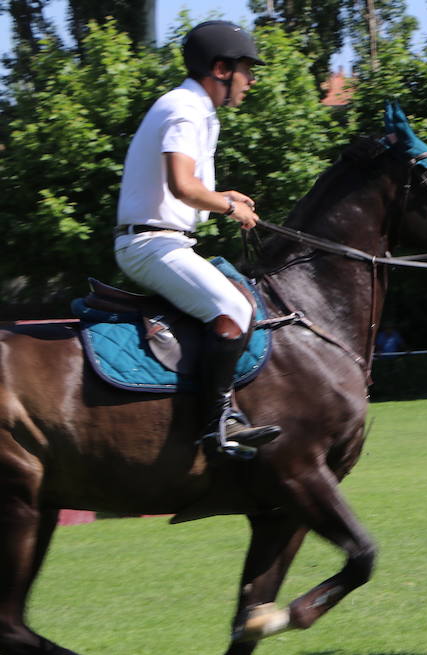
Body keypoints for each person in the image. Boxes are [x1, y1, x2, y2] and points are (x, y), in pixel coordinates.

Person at [113, 20, 279, 460]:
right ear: (221, 68)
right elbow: (183, 187)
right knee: (235, 309)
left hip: (163, 240)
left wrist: (223, 196)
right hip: (150, 246)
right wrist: (229, 208)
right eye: (247, 68)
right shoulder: (184, 109)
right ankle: (217, 424)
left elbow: (189, 193)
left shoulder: (198, 111)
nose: (252, 79)